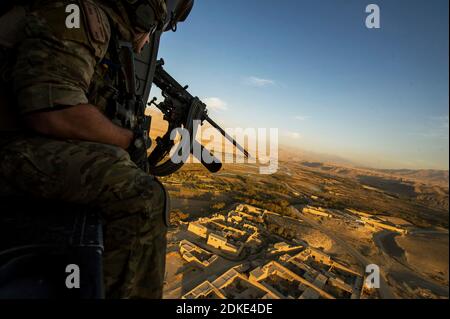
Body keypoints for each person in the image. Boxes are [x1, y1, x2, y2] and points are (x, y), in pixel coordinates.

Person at [0, 0, 176, 298]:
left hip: (22, 144)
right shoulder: (80, 15)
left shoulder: (105, 38)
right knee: (143, 197)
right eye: (153, 28)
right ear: (144, 13)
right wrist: (128, 140)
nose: (147, 41)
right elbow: (53, 109)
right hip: (8, 145)